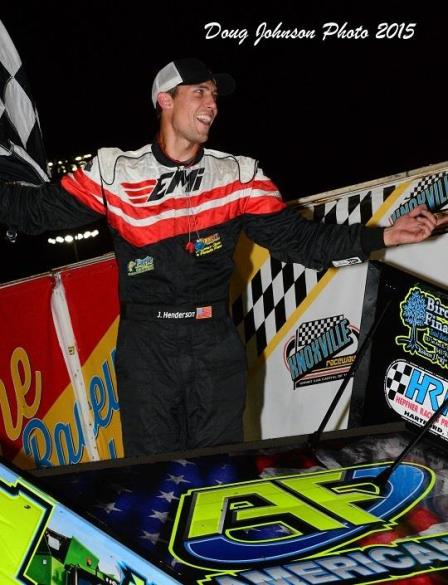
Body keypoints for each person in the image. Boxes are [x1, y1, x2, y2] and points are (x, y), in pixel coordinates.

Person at [0, 58, 441, 457]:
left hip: (214, 343)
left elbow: (299, 241)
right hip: (147, 345)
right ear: (164, 100)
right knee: (152, 473)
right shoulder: (115, 171)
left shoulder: (239, 175)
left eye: (214, 94)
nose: (212, 103)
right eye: (200, 92)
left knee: (222, 470)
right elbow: (33, 211)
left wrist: (384, 235)